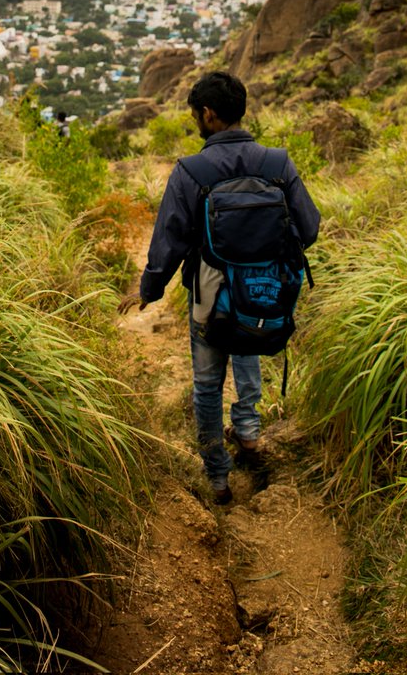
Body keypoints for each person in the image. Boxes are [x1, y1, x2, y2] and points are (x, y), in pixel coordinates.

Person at [118, 71, 320, 504]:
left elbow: (168, 241)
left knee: (207, 383)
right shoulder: (278, 163)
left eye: (196, 115)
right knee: (248, 352)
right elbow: (310, 226)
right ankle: (248, 434)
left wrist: (148, 291)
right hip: (265, 293)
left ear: (208, 115)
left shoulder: (192, 171)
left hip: (212, 297)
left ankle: (218, 479)